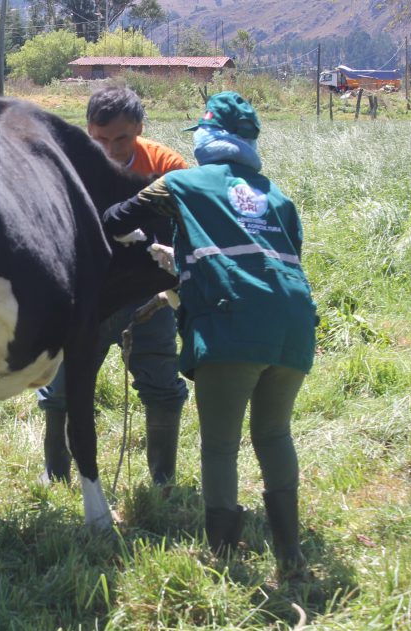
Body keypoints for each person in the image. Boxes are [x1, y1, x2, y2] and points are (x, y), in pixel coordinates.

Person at [100, 91, 317, 579]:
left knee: (219, 445)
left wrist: (142, 244)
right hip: (293, 326)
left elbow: (115, 219)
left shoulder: (180, 183)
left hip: (232, 324)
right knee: (274, 434)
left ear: (209, 139)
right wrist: (180, 260)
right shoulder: (277, 196)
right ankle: (290, 556)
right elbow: (267, 256)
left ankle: (222, 558)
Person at [37, 84, 189, 487]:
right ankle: (56, 475)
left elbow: (192, 228)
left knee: (161, 386)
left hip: (146, 294)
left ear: (139, 127)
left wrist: (168, 276)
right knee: (60, 388)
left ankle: (163, 483)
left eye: (121, 138)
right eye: (98, 139)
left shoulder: (165, 164)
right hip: (83, 295)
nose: (109, 150)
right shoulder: (66, 163)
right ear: (87, 130)